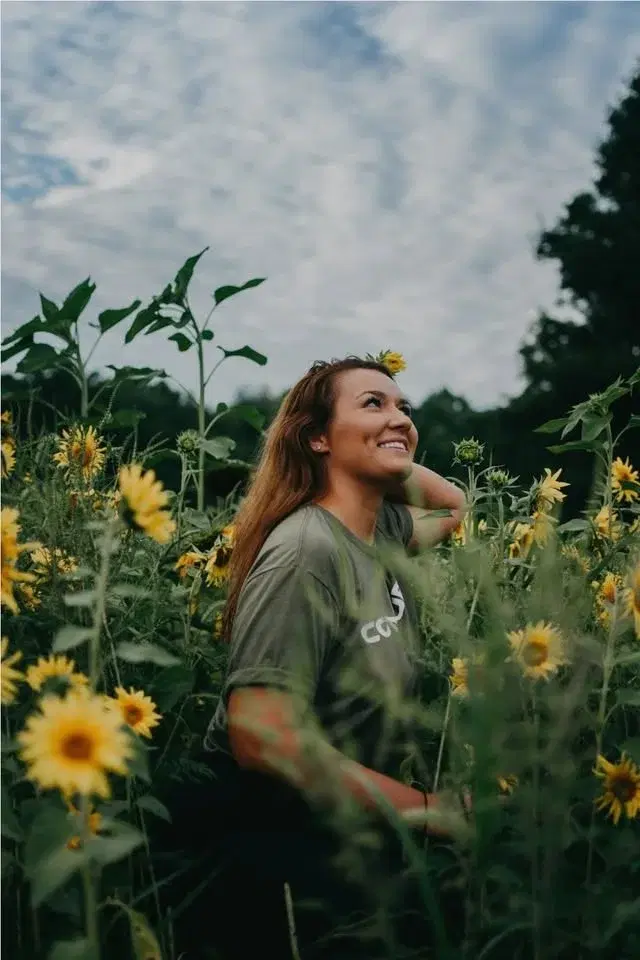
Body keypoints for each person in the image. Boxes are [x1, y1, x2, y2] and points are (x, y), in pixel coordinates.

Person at [167, 357, 467, 959]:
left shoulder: (379, 533)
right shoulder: (306, 552)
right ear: (318, 437)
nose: (401, 417)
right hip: (276, 859)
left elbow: (453, 507)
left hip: (347, 836)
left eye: (405, 407)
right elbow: (262, 737)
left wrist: (388, 443)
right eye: (374, 403)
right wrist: (429, 812)